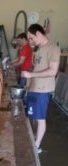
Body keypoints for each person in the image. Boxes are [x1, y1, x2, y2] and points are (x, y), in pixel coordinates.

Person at [21, 24, 60, 153]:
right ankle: (32, 139)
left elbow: (53, 71)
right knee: (32, 115)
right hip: (33, 87)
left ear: (38, 33)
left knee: (40, 118)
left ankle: (37, 146)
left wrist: (31, 74)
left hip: (43, 89)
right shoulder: (37, 49)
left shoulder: (53, 48)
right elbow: (35, 67)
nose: (30, 41)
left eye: (31, 38)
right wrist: (28, 80)